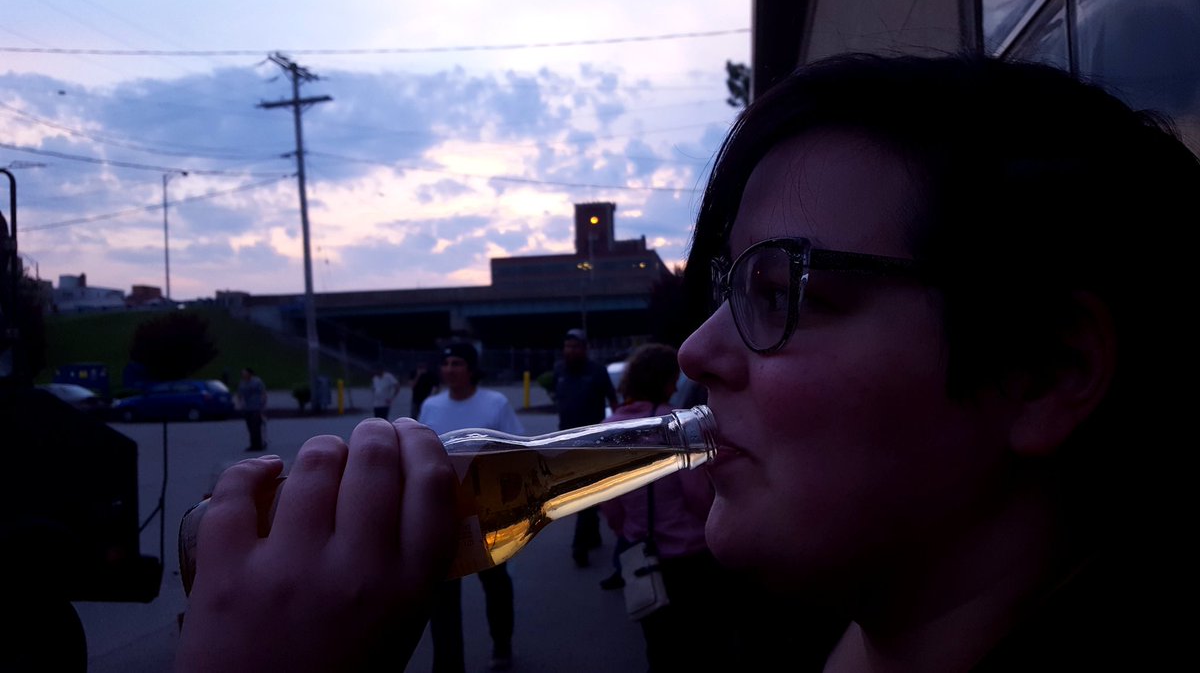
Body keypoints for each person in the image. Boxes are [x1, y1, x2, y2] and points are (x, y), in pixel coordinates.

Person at [175, 53, 1197, 672]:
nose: (700, 350)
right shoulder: (793, 633)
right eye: (724, 289)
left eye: (780, 291)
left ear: (1045, 371)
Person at [598, 343, 743, 671]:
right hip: (689, 554)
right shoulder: (676, 426)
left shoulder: (610, 428)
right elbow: (697, 497)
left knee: (659, 644)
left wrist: (626, 530)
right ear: (665, 381)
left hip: (640, 552)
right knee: (702, 641)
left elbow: (610, 503)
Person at [418, 342, 523, 672]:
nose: (450, 369)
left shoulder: (496, 403)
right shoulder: (431, 405)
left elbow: (517, 452)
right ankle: (448, 664)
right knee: (443, 595)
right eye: (446, 363)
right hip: (443, 511)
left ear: (472, 368)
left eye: (458, 363)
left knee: (495, 582)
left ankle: (502, 642)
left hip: (488, 513)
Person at [553, 328, 618, 567]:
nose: (571, 350)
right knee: (582, 489)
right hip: (566, 441)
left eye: (576, 346)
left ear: (584, 349)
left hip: (593, 441)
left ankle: (579, 546)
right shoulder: (559, 371)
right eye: (567, 346)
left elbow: (613, 401)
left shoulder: (598, 372)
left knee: (583, 490)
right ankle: (593, 533)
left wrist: (616, 431)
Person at [234, 367, 266, 452]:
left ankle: (259, 444)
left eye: (245, 373)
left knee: (256, 426)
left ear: (250, 374)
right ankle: (253, 444)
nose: (243, 375)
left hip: (256, 407)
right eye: (243, 373)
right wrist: (240, 403)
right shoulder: (242, 383)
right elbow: (239, 394)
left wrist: (263, 404)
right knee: (250, 427)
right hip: (247, 408)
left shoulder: (257, 381)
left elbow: (263, 392)